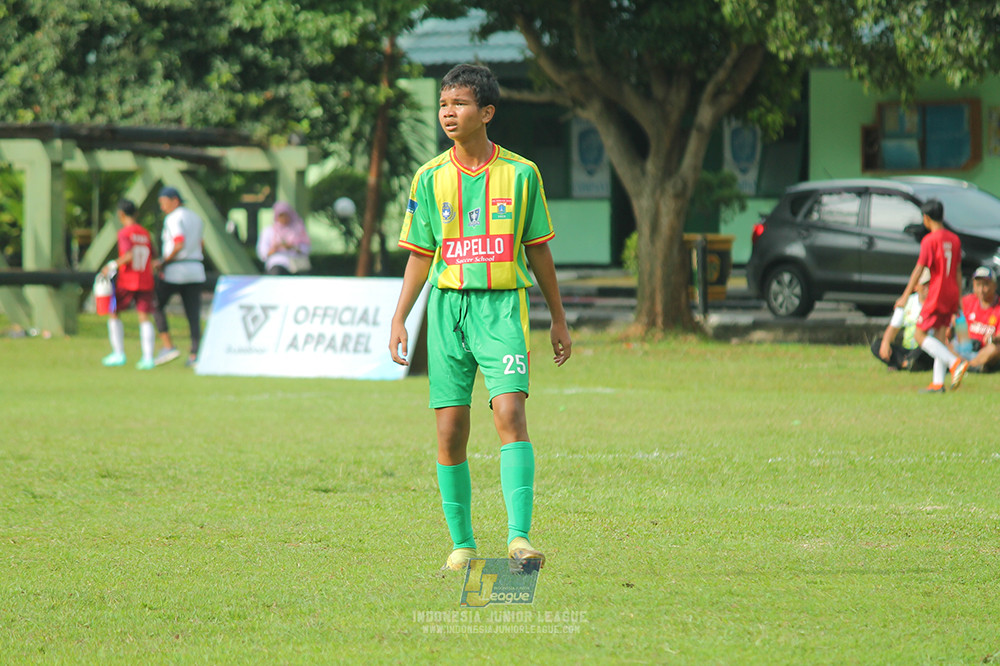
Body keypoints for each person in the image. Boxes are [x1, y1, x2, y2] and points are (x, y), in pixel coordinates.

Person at [388, 64, 572, 572]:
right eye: (444, 105)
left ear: (486, 112)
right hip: (448, 312)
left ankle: (520, 540)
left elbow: (539, 253)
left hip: (502, 307)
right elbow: (421, 256)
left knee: (510, 414)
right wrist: (401, 317)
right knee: (450, 431)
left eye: (460, 104)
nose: (449, 113)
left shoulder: (522, 174)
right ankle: (463, 545)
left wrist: (558, 318)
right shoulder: (428, 178)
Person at [894, 198, 968, 393]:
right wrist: (959, 298)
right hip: (951, 291)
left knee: (920, 334)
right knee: (940, 336)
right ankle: (937, 383)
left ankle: (955, 363)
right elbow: (959, 270)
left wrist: (904, 296)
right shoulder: (954, 239)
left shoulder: (929, 240)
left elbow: (919, 271)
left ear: (926, 218)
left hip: (937, 293)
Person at [152, 185, 206, 368]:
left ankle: (168, 345)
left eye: (164, 203)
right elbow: (201, 243)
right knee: (193, 314)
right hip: (195, 269)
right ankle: (195, 353)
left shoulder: (173, 218)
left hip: (176, 270)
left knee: (155, 304)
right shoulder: (196, 218)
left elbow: (178, 243)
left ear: (174, 200)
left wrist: (163, 262)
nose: (162, 207)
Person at [100, 199, 157, 370]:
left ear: (120, 214)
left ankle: (119, 353)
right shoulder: (145, 233)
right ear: (136, 214)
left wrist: (110, 266)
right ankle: (148, 358)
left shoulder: (125, 233)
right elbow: (152, 257)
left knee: (114, 312)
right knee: (144, 317)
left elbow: (128, 255)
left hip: (128, 279)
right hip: (145, 279)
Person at [872, 267, 933, 371]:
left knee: (928, 347)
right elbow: (893, 328)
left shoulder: (936, 303)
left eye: (929, 284)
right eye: (924, 284)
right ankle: (907, 363)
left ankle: (902, 363)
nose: (927, 287)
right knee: (877, 345)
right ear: (915, 286)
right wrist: (886, 342)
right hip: (907, 349)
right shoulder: (907, 302)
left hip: (924, 347)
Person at [956, 265, 1000, 372]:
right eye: (978, 285)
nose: (981, 290)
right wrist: (963, 336)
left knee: (996, 349)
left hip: (984, 350)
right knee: (944, 340)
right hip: (964, 346)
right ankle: (970, 366)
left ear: (994, 286)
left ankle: (967, 366)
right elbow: (954, 315)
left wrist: (992, 339)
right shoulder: (967, 301)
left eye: (985, 285)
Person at [256, 201, 312, 275]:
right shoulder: (269, 231)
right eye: (281, 215)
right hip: (278, 264)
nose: (284, 218)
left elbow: (306, 249)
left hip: (297, 265)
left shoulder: (298, 229)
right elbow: (262, 253)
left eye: (286, 215)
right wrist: (275, 248)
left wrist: (292, 247)